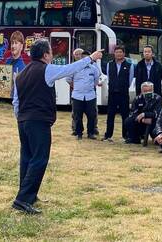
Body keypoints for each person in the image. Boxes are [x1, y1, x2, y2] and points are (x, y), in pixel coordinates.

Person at [11, 40, 103, 214]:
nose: (52, 55)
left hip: (23, 121)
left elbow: (16, 101)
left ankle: (29, 195)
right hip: (38, 121)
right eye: (51, 52)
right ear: (45, 55)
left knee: (27, 158)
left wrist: (21, 118)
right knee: (39, 159)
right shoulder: (46, 69)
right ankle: (22, 199)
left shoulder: (21, 74)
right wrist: (90, 58)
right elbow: (68, 70)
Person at [102, 46, 134, 142]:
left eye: (120, 52)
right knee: (110, 115)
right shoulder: (109, 64)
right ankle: (108, 135)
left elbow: (130, 80)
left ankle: (126, 135)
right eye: (116, 52)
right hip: (112, 94)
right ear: (114, 54)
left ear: (124, 54)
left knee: (125, 115)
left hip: (123, 94)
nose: (118, 54)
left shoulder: (129, 65)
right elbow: (109, 78)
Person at [67, 49, 101, 140]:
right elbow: (69, 80)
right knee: (77, 116)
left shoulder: (94, 68)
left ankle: (90, 133)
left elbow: (96, 80)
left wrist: (88, 88)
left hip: (90, 96)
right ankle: (79, 133)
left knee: (91, 115)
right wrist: (77, 87)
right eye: (83, 57)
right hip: (77, 95)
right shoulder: (75, 68)